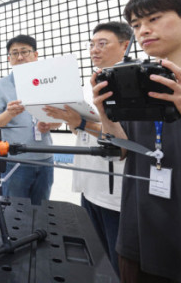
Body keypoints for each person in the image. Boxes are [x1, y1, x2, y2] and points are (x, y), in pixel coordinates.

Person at [92, 0, 181, 282]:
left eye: (153, 19)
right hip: (138, 232)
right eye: (136, 25)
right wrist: (105, 114)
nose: (143, 31)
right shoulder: (136, 79)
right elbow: (123, 151)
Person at [44, 21, 132, 276]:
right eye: (92, 44)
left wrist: (82, 122)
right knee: (97, 256)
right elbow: (79, 132)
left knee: (119, 263)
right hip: (89, 184)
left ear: (125, 46)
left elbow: (124, 139)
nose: (94, 49)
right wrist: (69, 121)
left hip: (115, 192)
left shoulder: (131, 84)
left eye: (102, 44)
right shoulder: (88, 85)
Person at [0, 34, 60, 205]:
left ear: (35, 55)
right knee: (15, 210)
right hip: (16, 161)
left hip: (46, 158)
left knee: (42, 209)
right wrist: (8, 114)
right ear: (9, 58)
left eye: (25, 52)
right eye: (15, 53)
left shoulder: (48, 83)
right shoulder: (0, 86)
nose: (20, 57)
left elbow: (59, 121)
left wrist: (50, 124)